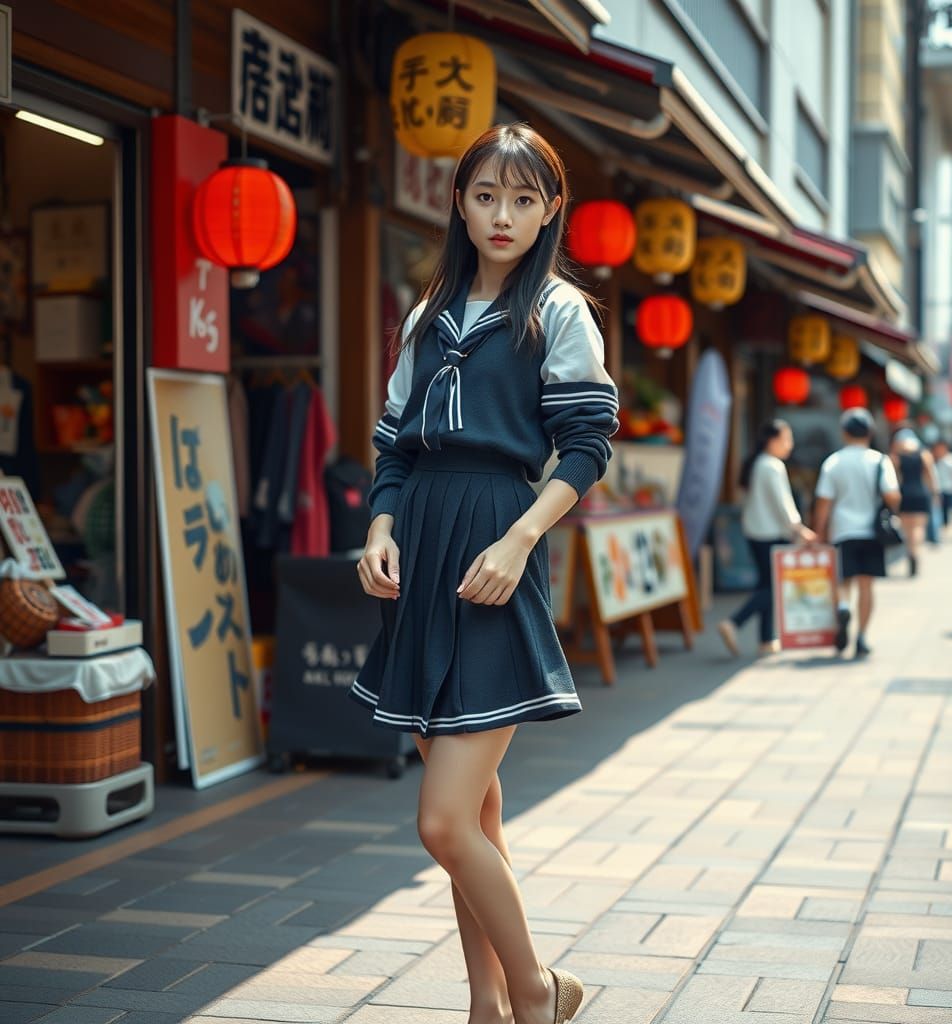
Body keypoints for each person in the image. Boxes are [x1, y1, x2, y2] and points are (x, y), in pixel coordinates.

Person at [353, 124, 618, 1024]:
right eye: (484, 196)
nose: (502, 216)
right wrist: (380, 527)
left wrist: (519, 542)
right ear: (459, 204)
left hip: (491, 554)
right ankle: (485, 1000)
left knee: (442, 822)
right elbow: (392, 443)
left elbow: (586, 446)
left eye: (522, 199)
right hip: (420, 556)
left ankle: (537, 991)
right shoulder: (427, 315)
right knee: (480, 820)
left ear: (550, 209)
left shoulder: (559, 312)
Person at [718, 420, 816, 658]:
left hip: (755, 532)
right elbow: (783, 504)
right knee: (772, 586)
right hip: (771, 534)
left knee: (766, 584)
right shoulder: (772, 466)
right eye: (786, 439)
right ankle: (734, 623)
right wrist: (799, 529)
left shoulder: (757, 464)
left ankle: (766, 639)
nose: (790, 445)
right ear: (772, 440)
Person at [813, 408, 900, 657]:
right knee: (866, 586)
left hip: (843, 530)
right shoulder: (880, 461)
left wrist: (819, 532)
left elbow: (823, 503)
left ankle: (842, 607)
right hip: (872, 532)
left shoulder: (834, 462)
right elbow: (893, 496)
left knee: (842, 581)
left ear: (844, 433)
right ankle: (861, 637)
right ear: (870, 433)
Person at [890, 425, 937, 576]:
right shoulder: (924, 455)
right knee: (918, 528)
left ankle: (910, 552)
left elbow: (894, 479)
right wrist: (934, 493)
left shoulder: (896, 458)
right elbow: (930, 476)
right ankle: (915, 552)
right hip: (920, 493)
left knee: (906, 528)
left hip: (904, 494)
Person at [932, 440, 952, 530]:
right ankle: (944, 526)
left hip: (951, 488)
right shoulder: (934, 459)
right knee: (942, 509)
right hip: (939, 489)